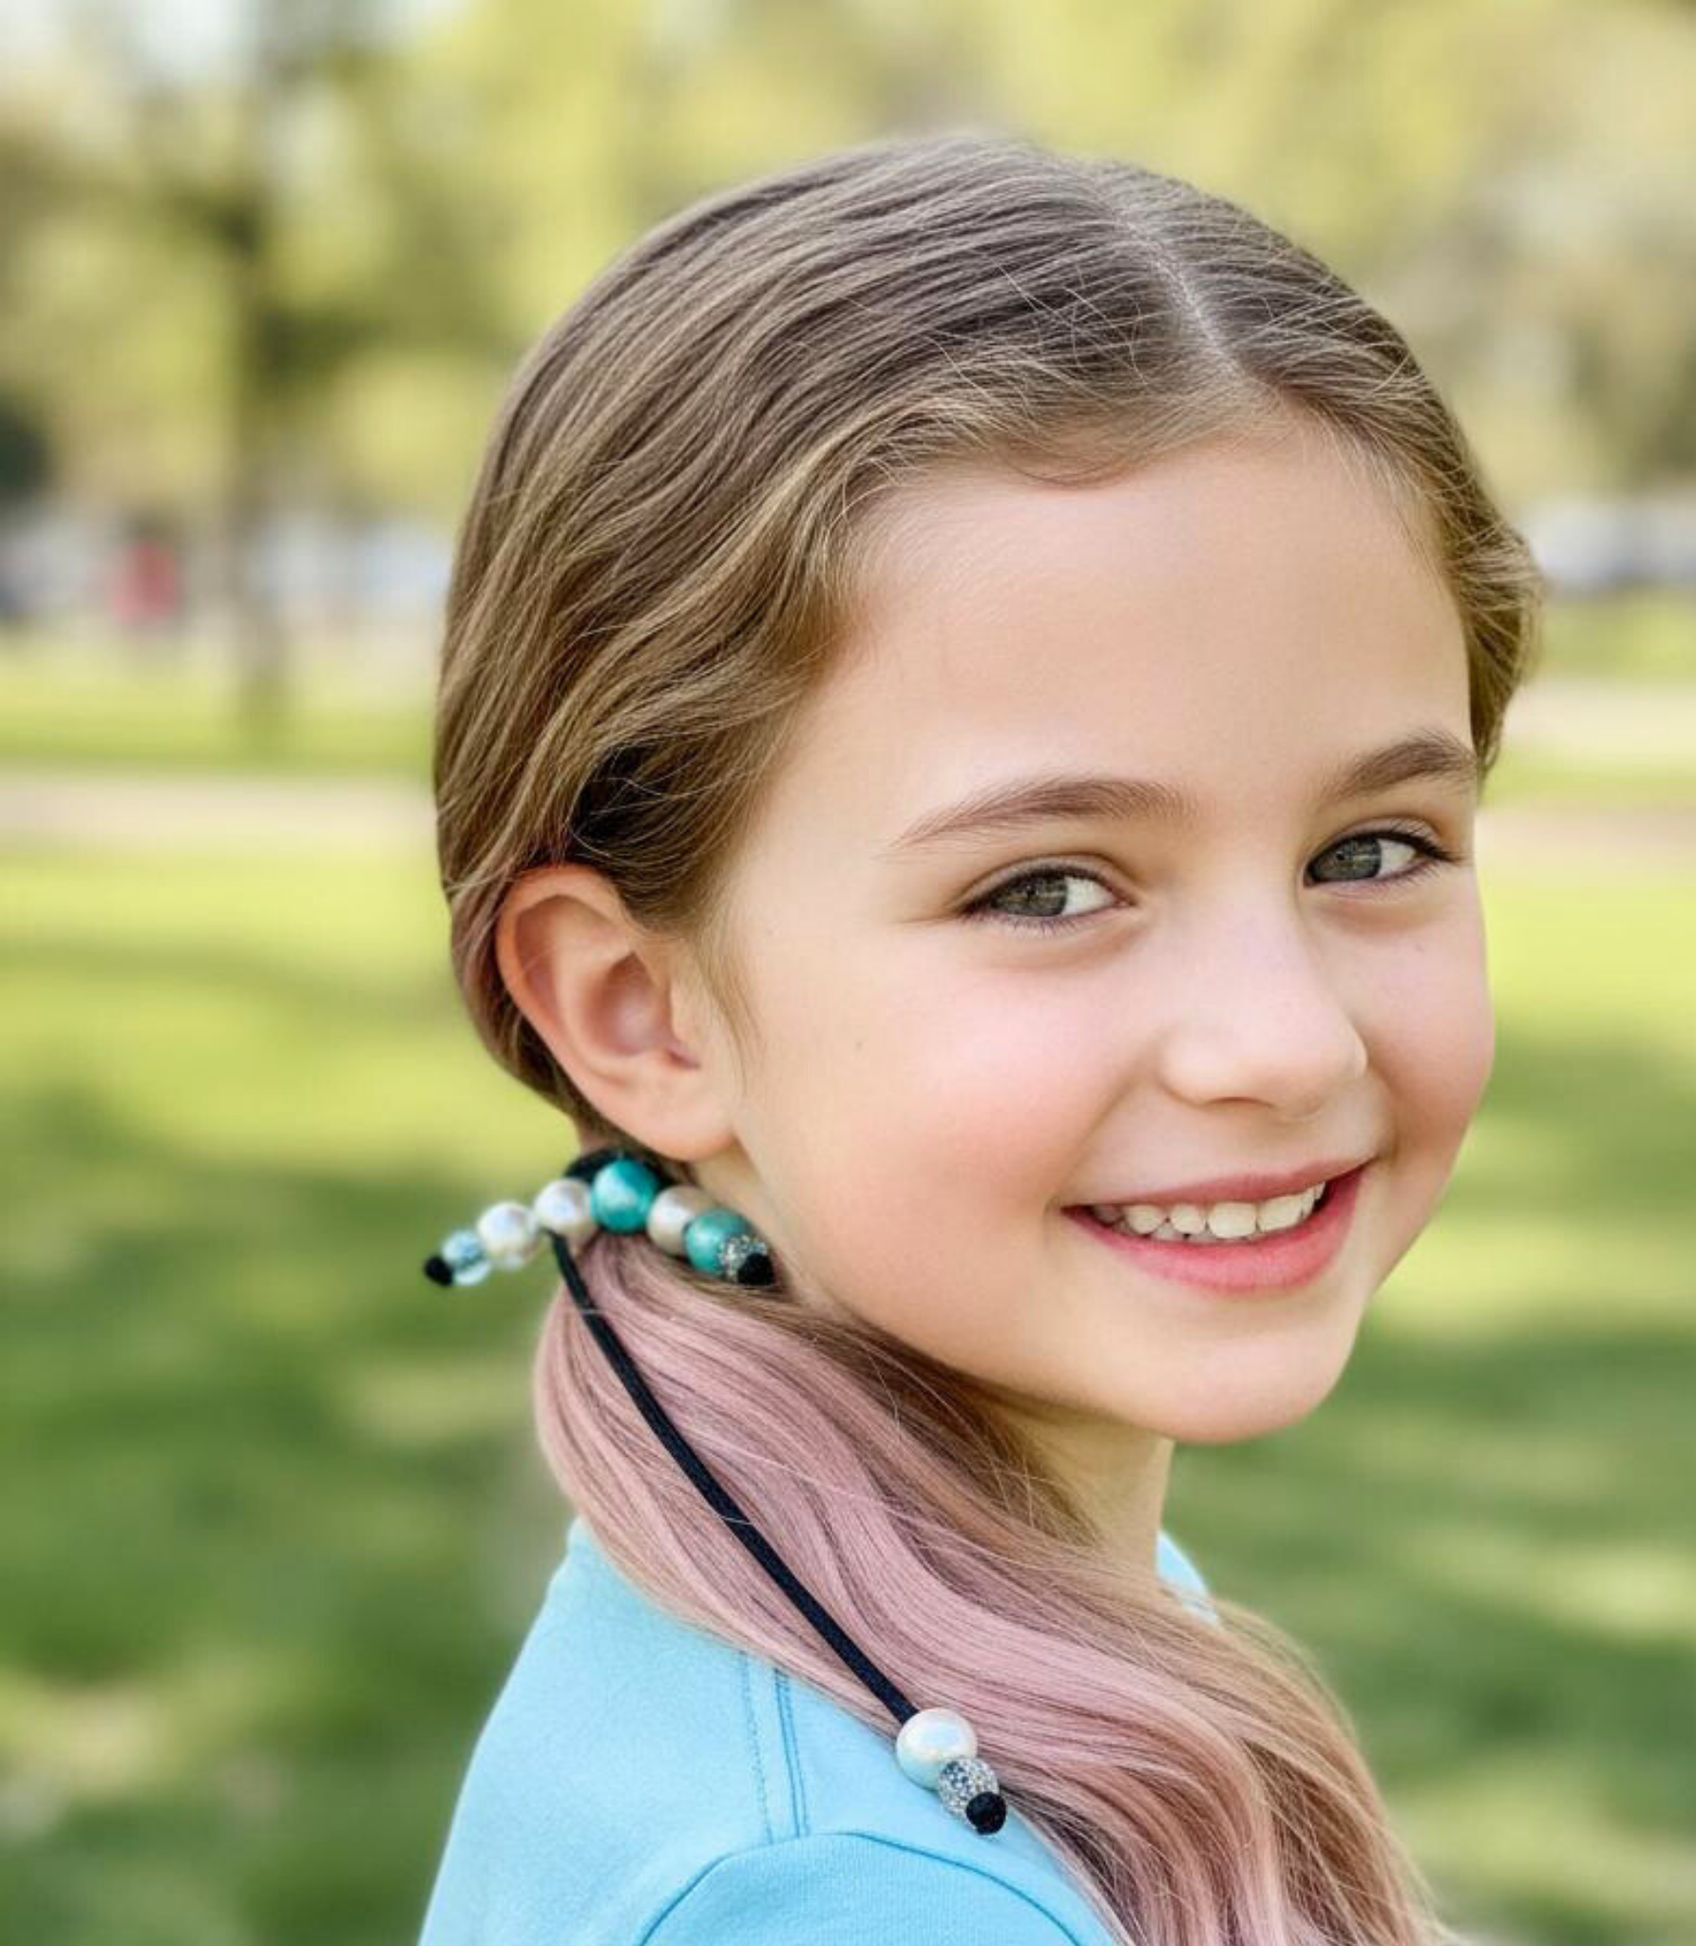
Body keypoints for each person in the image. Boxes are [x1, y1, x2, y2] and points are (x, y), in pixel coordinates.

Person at [412, 129, 1542, 1946]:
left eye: (1370, 848)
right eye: (1043, 887)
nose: (1276, 1039)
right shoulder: (836, 1892)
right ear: (639, 1010)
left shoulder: (921, 1597)